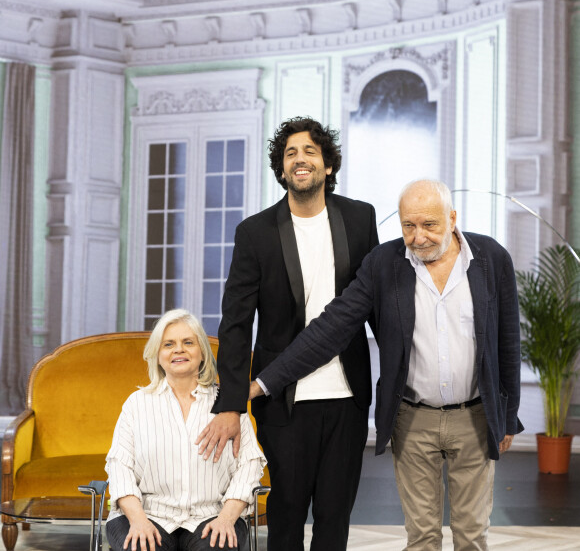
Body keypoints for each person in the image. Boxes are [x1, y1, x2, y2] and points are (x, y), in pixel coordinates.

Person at [250, 179, 524, 551]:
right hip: (413, 419)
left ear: (452, 218)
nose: (418, 237)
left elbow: (507, 341)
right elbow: (331, 327)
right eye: (408, 226)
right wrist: (265, 382)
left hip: (474, 417)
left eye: (429, 225)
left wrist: (508, 417)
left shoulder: (491, 258)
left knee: (472, 535)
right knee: (422, 536)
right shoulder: (383, 264)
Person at [196, 117, 379, 551]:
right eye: (290, 153)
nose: (300, 160)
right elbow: (236, 324)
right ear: (281, 170)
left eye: (310, 151)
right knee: (286, 519)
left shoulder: (359, 218)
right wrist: (231, 402)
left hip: (348, 397)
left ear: (328, 165)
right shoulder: (254, 233)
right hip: (282, 400)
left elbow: (376, 305)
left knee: (335, 521)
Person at [105, 309, 266, 551]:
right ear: (157, 355)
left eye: (188, 342)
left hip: (213, 515)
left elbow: (249, 464)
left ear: (202, 352)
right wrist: (138, 521)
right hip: (147, 513)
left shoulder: (228, 403)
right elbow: (120, 467)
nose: (178, 350)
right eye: (168, 344)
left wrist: (227, 518)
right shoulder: (136, 404)